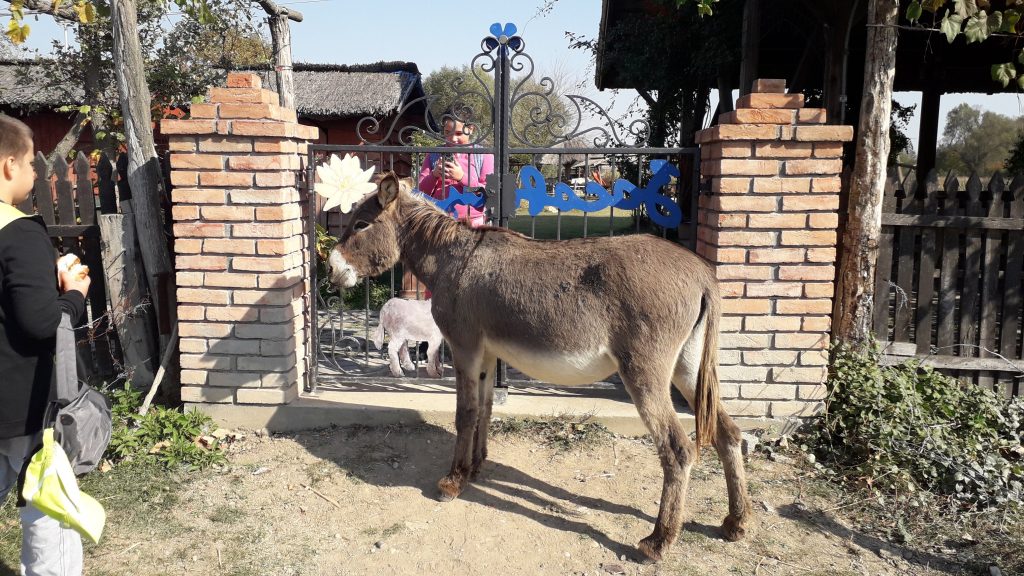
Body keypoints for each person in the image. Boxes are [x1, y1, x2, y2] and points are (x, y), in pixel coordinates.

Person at [0, 114, 90, 576]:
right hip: (21, 401)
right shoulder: (19, 232)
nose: (36, 174)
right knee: (47, 506)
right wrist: (74, 294)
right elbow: (41, 322)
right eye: (32, 165)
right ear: (9, 165)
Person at [417, 116, 494, 227]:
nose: (453, 139)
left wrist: (462, 177)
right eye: (447, 132)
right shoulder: (433, 155)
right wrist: (434, 175)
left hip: (473, 224)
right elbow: (421, 191)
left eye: (458, 133)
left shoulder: (483, 155)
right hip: (438, 221)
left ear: (470, 129)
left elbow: (488, 192)